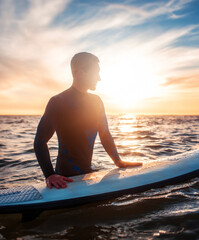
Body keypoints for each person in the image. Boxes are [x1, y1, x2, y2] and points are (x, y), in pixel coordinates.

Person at [34, 52, 142, 189]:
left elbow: (104, 134)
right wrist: (49, 175)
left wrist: (118, 161)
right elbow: (40, 141)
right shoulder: (58, 102)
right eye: (95, 73)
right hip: (65, 178)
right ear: (80, 73)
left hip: (87, 174)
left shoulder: (96, 101)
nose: (99, 78)